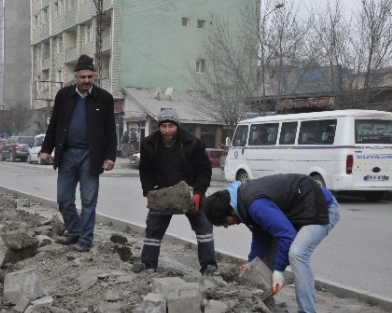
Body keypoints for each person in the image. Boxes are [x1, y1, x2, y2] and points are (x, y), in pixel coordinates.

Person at [202, 173, 340, 313]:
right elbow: (261, 234)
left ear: (230, 212)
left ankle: (307, 311)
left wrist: (279, 271)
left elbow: (287, 235)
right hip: (299, 213)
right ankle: (267, 307)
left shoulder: (254, 204)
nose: (226, 226)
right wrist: (252, 263)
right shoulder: (240, 201)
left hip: (321, 208)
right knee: (263, 261)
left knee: (297, 254)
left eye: (224, 222)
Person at [40, 54, 117, 252]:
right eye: (82, 77)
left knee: (89, 200)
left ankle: (85, 239)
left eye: (90, 77)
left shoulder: (104, 98)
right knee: (64, 198)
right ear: (76, 77)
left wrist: (110, 157)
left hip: (91, 156)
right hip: (66, 154)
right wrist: (46, 149)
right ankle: (74, 232)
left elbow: (110, 130)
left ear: (95, 76)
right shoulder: (64, 96)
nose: (86, 81)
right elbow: (54, 124)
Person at [133, 108, 218, 276]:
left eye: (170, 126)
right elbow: (146, 170)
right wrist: (148, 192)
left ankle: (209, 266)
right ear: (159, 127)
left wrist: (198, 193)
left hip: (190, 190)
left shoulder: (194, 143)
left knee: (204, 226)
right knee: (153, 229)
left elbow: (204, 171)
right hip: (163, 191)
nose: (167, 131)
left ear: (177, 126)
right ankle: (148, 265)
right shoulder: (149, 143)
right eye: (163, 126)